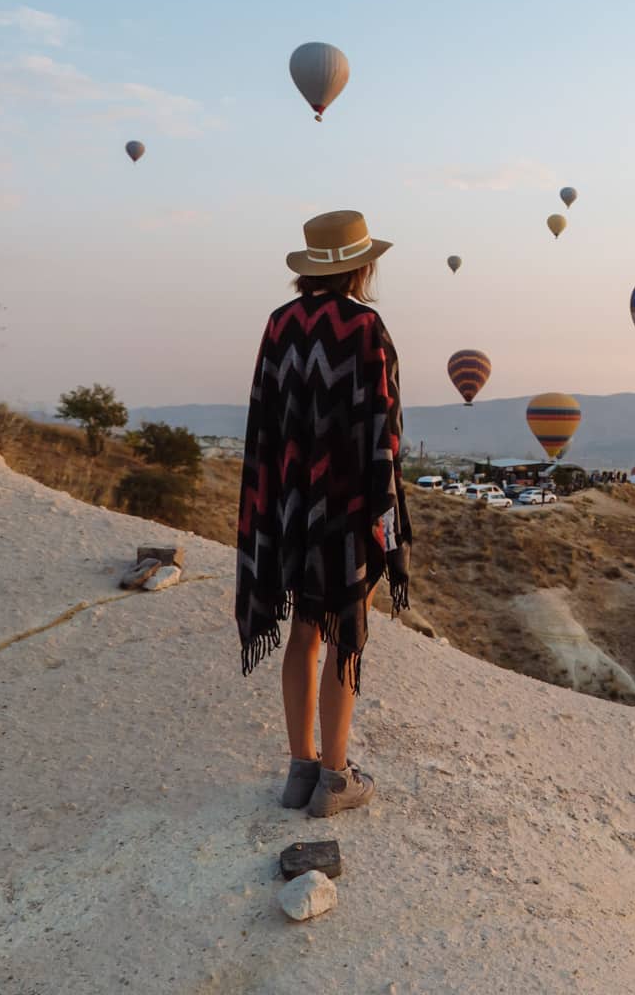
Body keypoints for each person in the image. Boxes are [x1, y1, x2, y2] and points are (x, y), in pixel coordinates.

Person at [236, 210, 411, 819]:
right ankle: (336, 780)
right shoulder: (366, 326)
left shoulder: (278, 323)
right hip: (344, 506)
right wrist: (386, 521)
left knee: (303, 630)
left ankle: (299, 769)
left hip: (286, 503)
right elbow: (382, 430)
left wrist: (271, 497)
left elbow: (263, 416)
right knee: (344, 636)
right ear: (362, 266)